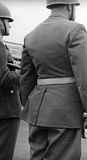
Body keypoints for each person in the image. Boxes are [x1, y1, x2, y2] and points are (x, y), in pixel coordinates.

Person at [19, 0, 87, 159]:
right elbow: (84, 76)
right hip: (65, 112)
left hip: (37, 110)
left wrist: (30, 105)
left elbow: (26, 78)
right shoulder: (75, 29)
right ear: (70, 6)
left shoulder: (30, 36)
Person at [0, 2, 21, 160]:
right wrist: (25, 73)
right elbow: (3, 78)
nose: (10, 26)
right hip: (6, 111)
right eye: (8, 21)